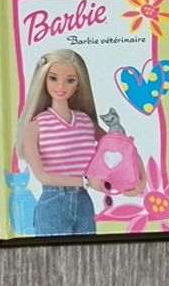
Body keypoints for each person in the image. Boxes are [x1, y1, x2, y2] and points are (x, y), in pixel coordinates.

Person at [15, 50, 145, 236]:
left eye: (70, 80)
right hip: (54, 201)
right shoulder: (35, 127)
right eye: (53, 78)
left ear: (78, 84)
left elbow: (122, 148)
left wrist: (140, 179)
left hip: (84, 201)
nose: (61, 86)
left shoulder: (85, 122)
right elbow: (42, 176)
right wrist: (86, 181)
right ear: (43, 80)